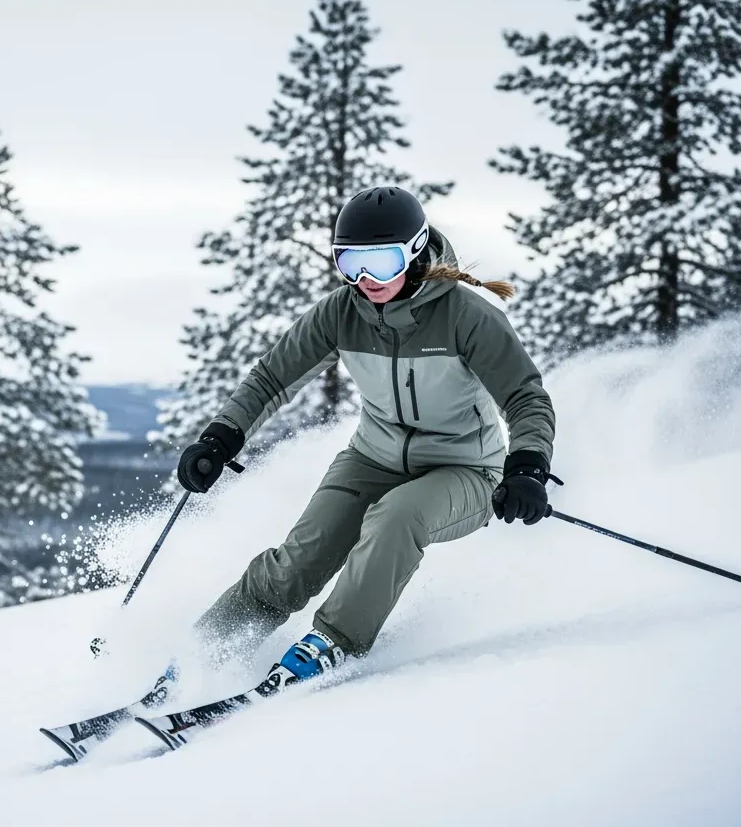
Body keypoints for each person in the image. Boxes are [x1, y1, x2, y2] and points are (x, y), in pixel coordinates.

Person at [177, 185, 557, 687]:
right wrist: (220, 437)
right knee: (299, 560)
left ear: (416, 251)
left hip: (465, 470)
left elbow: (526, 397)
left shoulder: (467, 317)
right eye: (351, 261)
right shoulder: (341, 312)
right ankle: (203, 648)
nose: (365, 279)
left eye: (382, 262)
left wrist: (527, 466)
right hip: (372, 459)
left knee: (398, 516)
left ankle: (333, 641)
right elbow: (271, 377)